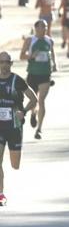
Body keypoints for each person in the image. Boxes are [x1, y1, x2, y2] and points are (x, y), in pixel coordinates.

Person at [0, 52, 38, 207]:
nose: (4, 64)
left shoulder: (17, 80)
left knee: (15, 165)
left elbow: (34, 98)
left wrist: (24, 112)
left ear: (11, 63)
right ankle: (1, 194)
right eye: (1, 62)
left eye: (6, 62)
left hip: (14, 126)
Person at [19, 20, 57, 140]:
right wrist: (31, 56)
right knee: (34, 100)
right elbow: (21, 56)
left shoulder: (49, 40)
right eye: (42, 27)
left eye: (45, 27)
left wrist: (55, 64)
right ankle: (33, 113)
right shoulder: (30, 40)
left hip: (45, 74)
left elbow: (52, 54)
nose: (45, 29)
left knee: (41, 101)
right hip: (32, 74)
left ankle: (39, 129)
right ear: (36, 28)